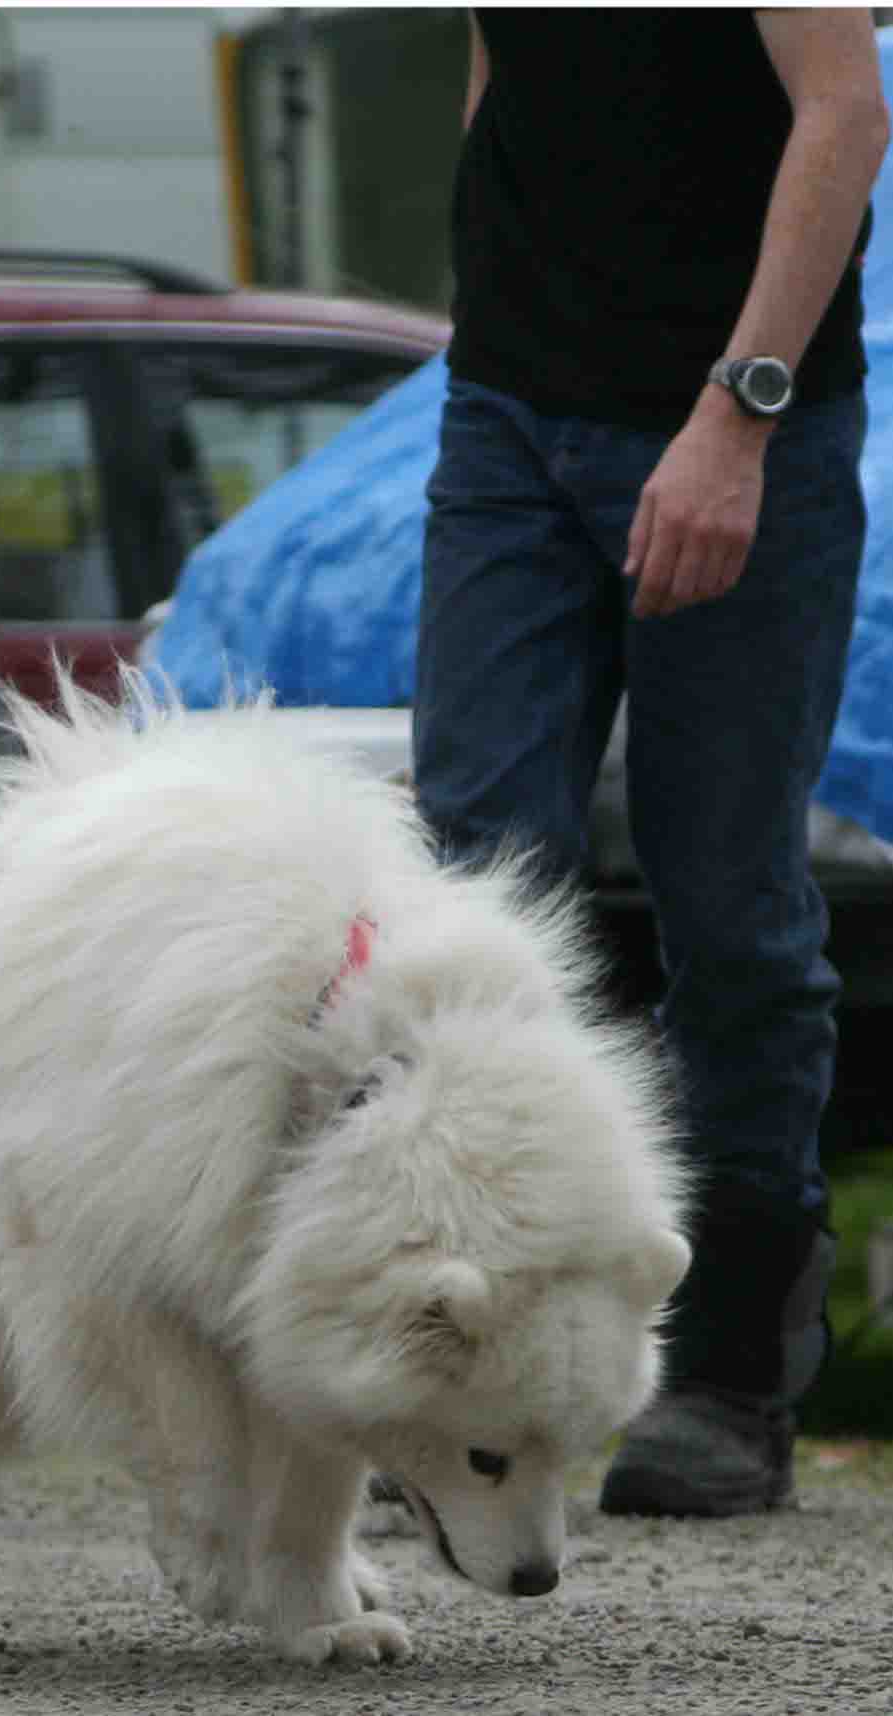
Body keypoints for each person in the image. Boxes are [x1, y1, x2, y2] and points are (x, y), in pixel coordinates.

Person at [412, 9, 888, 1517]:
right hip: (505, 415)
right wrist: (487, 309)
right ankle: (467, 1335)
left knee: (727, 905)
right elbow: (505, 73)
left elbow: (844, 111)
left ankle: (728, 1373)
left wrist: (733, 418)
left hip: (731, 420)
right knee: (473, 886)